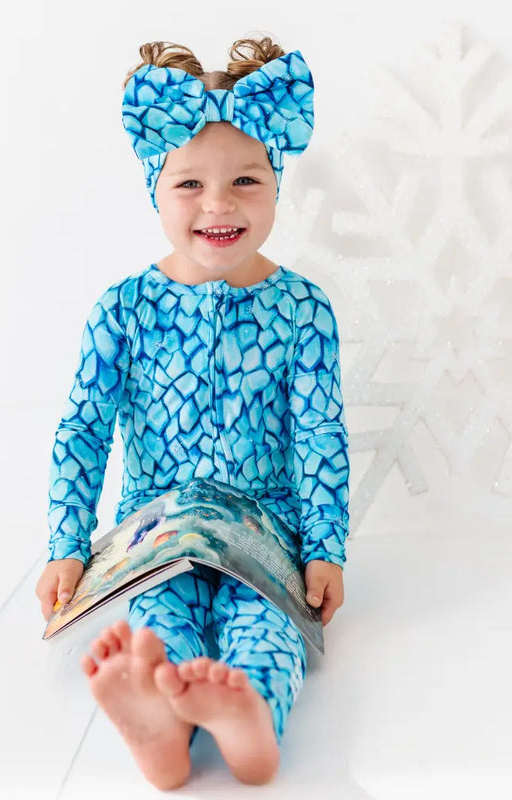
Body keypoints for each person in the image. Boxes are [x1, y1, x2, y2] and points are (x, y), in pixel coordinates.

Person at [35, 35, 350, 790]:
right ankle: (163, 723)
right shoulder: (126, 308)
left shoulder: (304, 310)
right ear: (156, 186)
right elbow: (83, 429)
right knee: (162, 610)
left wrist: (326, 548)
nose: (219, 204)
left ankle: (248, 720)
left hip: (267, 525)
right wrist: (66, 542)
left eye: (246, 179)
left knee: (264, 622)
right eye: (190, 186)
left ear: (277, 184)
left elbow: (319, 435)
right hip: (157, 525)